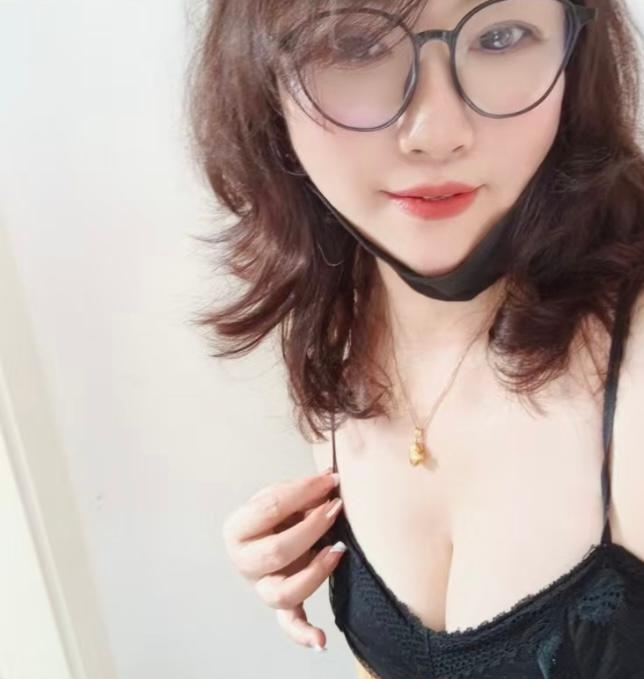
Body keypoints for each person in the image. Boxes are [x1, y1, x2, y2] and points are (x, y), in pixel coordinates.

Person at [189, 0, 644, 676]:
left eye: (502, 36)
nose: (438, 132)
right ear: (264, 78)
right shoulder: (339, 313)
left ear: (577, 52)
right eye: (353, 45)